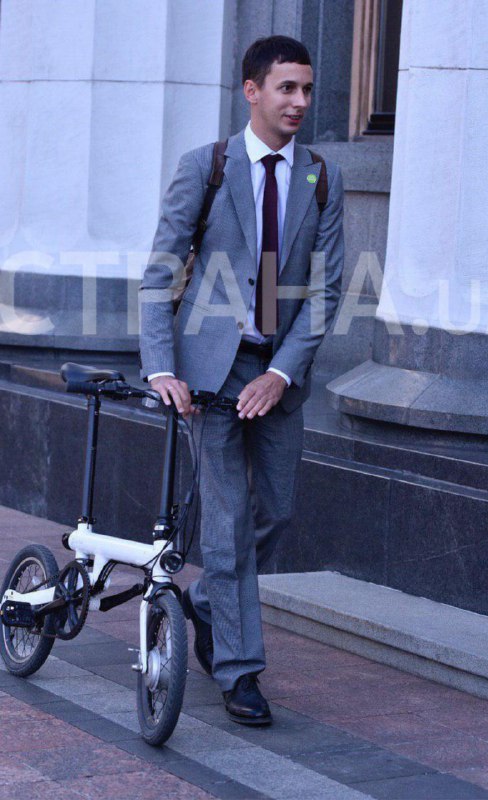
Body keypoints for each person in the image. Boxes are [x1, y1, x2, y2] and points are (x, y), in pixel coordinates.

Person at [139, 35, 344, 725]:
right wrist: (162, 366)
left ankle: (207, 601)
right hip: (210, 373)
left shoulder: (321, 176)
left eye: (307, 89)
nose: (300, 101)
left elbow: (326, 291)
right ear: (252, 90)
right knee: (224, 525)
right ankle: (239, 669)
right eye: (287, 87)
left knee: (275, 512)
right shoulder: (207, 167)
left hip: (278, 372)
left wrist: (283, 374)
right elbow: (162, 269)